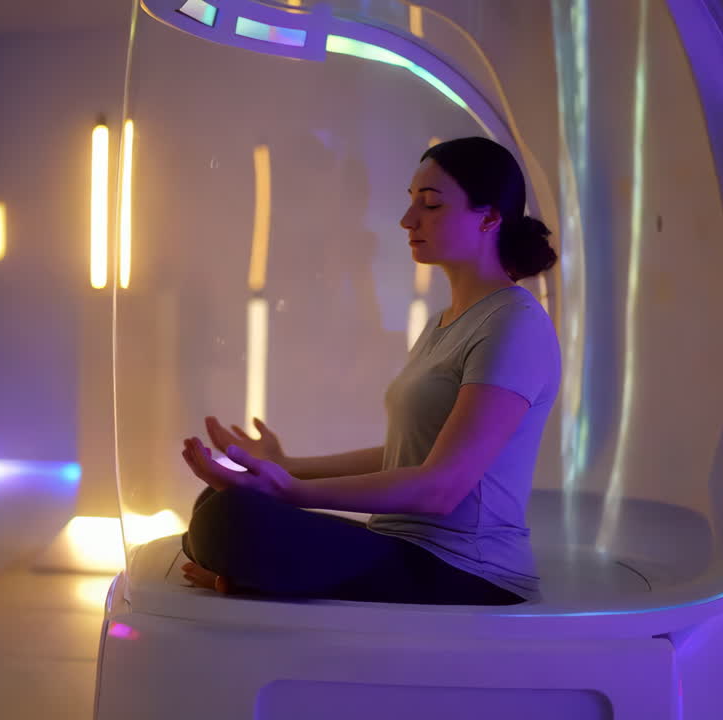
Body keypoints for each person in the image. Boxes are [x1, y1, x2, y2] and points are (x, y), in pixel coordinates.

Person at [179, 137, 560, 605]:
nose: (407, 220)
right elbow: (408, 454)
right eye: (410, 203)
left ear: (488, 217)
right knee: (214, 506)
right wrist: (287, 467)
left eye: (432, 204)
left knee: (231, 520)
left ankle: (246, 572)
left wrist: (290, 491)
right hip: (403, 545)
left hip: (465, 569)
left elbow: (440, 488)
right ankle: (247, 572)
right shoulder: (446, 323)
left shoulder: (514, 324)